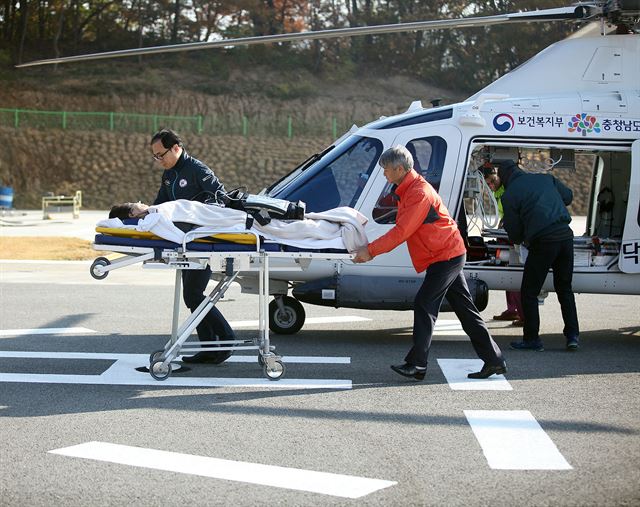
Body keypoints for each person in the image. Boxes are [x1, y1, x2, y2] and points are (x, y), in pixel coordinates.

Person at [353, 146, 506, 380]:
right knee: (466, 311)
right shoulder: (407, 188)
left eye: (386, 168)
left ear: (400, 169)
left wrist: (370, 251)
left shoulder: (418, 193)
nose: (383, 172)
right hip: (446, 253)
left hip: (446, 256)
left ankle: (417, 364)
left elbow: (402, 231)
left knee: (425, 304)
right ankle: (494, 360)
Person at [149, 128, 235, 364]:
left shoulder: (197, 170)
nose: (158, 160)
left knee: (193, 294)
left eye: (161, 154)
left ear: (176, 148)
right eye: (155, 156)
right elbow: (160, 205)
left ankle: (226, 338)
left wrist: (198, 213)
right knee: (191, 295)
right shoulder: (168, 176)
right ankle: (209, 347)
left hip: (203, 243)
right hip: (184, 243)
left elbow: (221, 197)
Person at [485, 160, 579, 351]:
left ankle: (532, 339)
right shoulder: (545, 179)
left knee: (529, 292)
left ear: (503, 177)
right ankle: (572, 336)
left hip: (543, 241)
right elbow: (568, 197)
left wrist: (526, 233)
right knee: (565, 289)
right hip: (566, 237)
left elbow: (515, 234)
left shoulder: (510, 195)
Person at [481, 164, 524, 327]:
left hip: (513, 235)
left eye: (492, 181)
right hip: (505, 233)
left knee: (514, 271)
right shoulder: (498, 192)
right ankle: (512, 309)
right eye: (488, 184)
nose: (491, 186)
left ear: (498, 174)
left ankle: (523, 313)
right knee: (507, 270)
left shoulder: (509, 189)